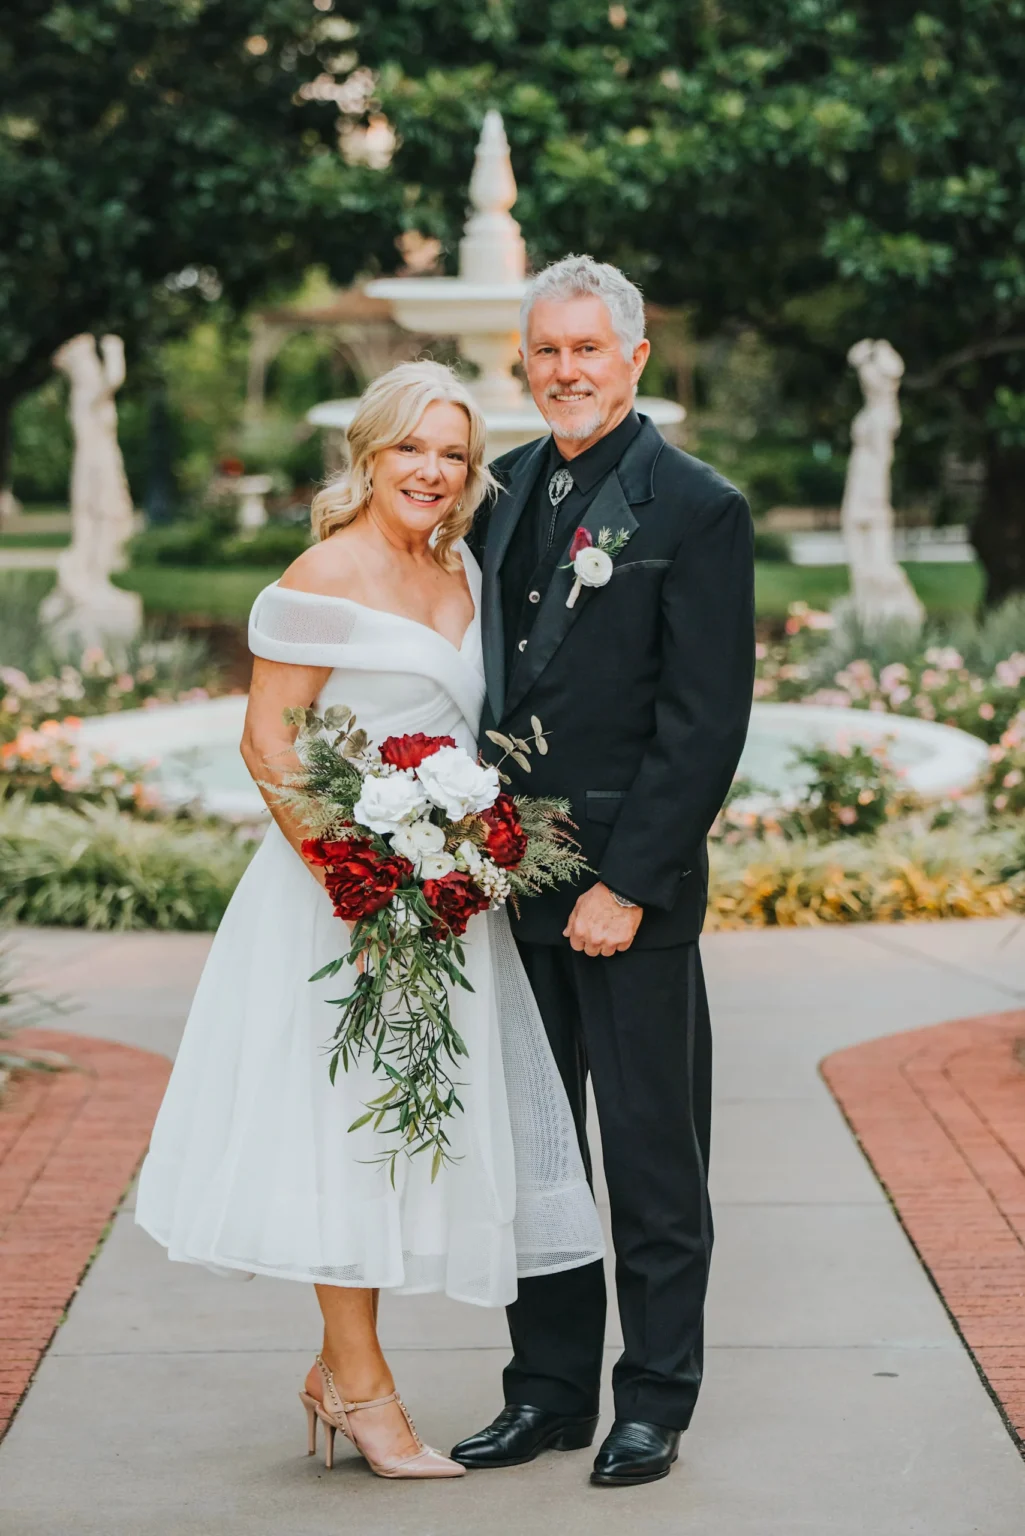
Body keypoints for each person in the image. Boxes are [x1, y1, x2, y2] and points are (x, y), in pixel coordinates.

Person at [135, 361, 604, 1482]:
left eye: (451, 454)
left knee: (406, 1144)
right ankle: (366, 1392)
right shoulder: (323, 574)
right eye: (411, 450)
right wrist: (358, 880)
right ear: (368, 455)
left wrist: (459, 860)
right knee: (348, 1141)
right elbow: (270, 744)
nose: (432, 472)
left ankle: (331, 1369)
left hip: (442, 904)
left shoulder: (463, 575)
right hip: (341, 906)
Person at [453, 255, 755, 1487]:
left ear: (633, 357)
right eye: (546, 351)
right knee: (535, 1154)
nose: (565, 370)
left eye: (587, 349)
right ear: (523, 364)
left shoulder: (694, 506)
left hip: (628, 896)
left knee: (646, 1157)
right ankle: (547, 1393)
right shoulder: (503, 487)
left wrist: (623, 883)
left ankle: (653, 1401)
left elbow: (703, 721)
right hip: (508, 881)